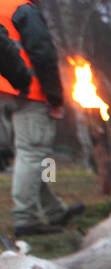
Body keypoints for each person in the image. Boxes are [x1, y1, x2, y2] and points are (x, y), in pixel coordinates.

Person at [0, 0, 82, 235]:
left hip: (3, 94)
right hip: (27, 91)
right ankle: (25, 218)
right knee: (33, 153)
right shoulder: (23, 8)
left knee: (27, 155)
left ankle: (53, 210)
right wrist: (55, 96)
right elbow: (43, 53)